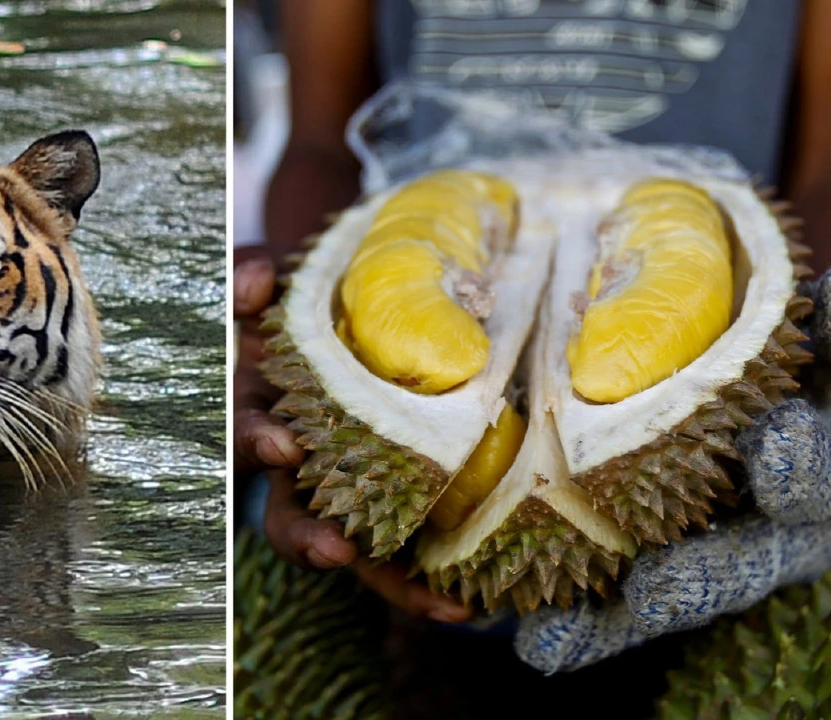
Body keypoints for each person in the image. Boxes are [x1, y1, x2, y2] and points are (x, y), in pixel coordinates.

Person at [235, 0, 831, 630]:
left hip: (717, 519)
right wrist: (288, 342)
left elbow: (824, 173)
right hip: (402, 600)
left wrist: (817, 355)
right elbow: (320, 141)